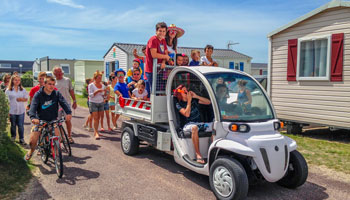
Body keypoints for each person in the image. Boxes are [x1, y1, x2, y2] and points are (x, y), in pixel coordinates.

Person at [25, 76, 72, 161]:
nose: (52, 86)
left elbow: (64, 103)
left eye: (53, 84)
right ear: (44, 84)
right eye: (49, 84)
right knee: (33, 141)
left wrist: (68, 112)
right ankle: (31, 151)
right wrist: (33, 117)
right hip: (40, 120)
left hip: (53, 120)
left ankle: (57, 156)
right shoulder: (38, 94)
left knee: (57, 137)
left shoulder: (56, 94)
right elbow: (33, 106)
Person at [174, 85, 212, 164]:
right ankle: (198, 154)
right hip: (188, 125)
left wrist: (196, 96)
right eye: (184, 91)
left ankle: (212, 152)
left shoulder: (194, 100)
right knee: (194, 128)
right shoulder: (179, 104)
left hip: (199, 123)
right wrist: (188, 102)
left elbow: (208, 102)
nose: (186, 92)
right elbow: (186, 114)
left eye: (187, 91)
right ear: (180, 93)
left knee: (215, 125)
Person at [53, 66, 77, 144]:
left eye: (60, 72)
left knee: (68, 120)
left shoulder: (67, 80)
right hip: (56, 105)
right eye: (57, 72)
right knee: (58, 122)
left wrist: (74, 101)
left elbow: (71, 91)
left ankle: (69, 136)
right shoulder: (53, 82)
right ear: (54, 73)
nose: (59, 73)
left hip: (66, 103)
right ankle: (62, 137)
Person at [145, 22, 170, 94]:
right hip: (151, 70)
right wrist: (165, 57)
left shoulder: (163, 40)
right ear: (156, 31)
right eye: (160, 31)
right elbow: (154, 55)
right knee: (153, 91)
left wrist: (163, 62)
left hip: (159, 69)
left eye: (164, 31)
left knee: (159, 90)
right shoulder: (153, 39)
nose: (162, 33)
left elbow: (166, 53)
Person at [5, 75, 28, 144]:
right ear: (12, 81)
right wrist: (7, 111)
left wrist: (21, 99)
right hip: (12, 111)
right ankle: (13, 137)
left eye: (18, 80)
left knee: (21, 126)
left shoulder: (23, 90)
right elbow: (6, 101)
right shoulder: (8, 90)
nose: (17, 81)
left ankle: (21, 139)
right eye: (15, 80)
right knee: (13, 125)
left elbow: (26, 99)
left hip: (21, 111)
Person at [88, 71, 105, 140]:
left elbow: (103, 94)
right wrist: (97, 91)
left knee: (99, 118)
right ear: (95, 78)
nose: (100, 79)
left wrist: (105, 93)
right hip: (93, 102)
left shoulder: (103, 85)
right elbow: (90, 95)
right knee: (95, 117)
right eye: (99, 78)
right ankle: (96, 132)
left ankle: (96, 131)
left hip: (101, 102)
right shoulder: (91, 85)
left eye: (101, 78)